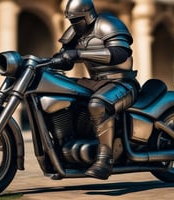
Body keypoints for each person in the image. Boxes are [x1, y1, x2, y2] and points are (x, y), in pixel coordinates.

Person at [53, 0, 140, 180]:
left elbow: (120, 53)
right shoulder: (75, 32)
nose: (74, 23)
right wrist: (57, 59)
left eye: (77, 19)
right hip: (95, 82)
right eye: (71, 20)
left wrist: (79, 54)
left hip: (122, 82)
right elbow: (66, 58)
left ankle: (104, 160)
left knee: (98, 104)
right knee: (61, 92)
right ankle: (64, 153)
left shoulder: (108, 24)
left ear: (87, 14)